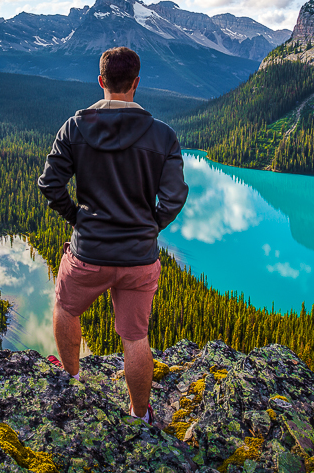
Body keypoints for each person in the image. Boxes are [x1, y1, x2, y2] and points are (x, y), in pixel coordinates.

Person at [37, 46, 189, 425]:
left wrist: (78, 220)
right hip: (139, 260)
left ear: (101, 81)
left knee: (66, 308)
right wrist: (148, 229)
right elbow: (173, 197)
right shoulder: (163, 135)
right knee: (135, 337)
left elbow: (50, 185)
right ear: (136, 83)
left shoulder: (74, 128)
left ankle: (71, 381)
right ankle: (140, 415)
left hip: (88, 253)